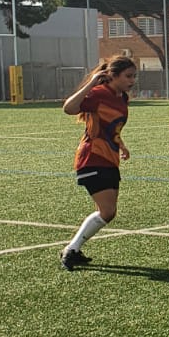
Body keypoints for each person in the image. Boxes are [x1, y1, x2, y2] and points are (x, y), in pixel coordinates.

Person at [59, 56, 137, 270]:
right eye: (128, 76)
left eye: (134, 76)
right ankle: (71, 249)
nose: (132, 80)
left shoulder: (122, 98)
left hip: (109, 158)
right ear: (113, 75)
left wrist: (121, 144)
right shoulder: (98, 94)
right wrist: (92, 82)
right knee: (107, 211)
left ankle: (74, 249)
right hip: (92, 158)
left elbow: (111, 127)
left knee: (108, 212)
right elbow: (69, 108)